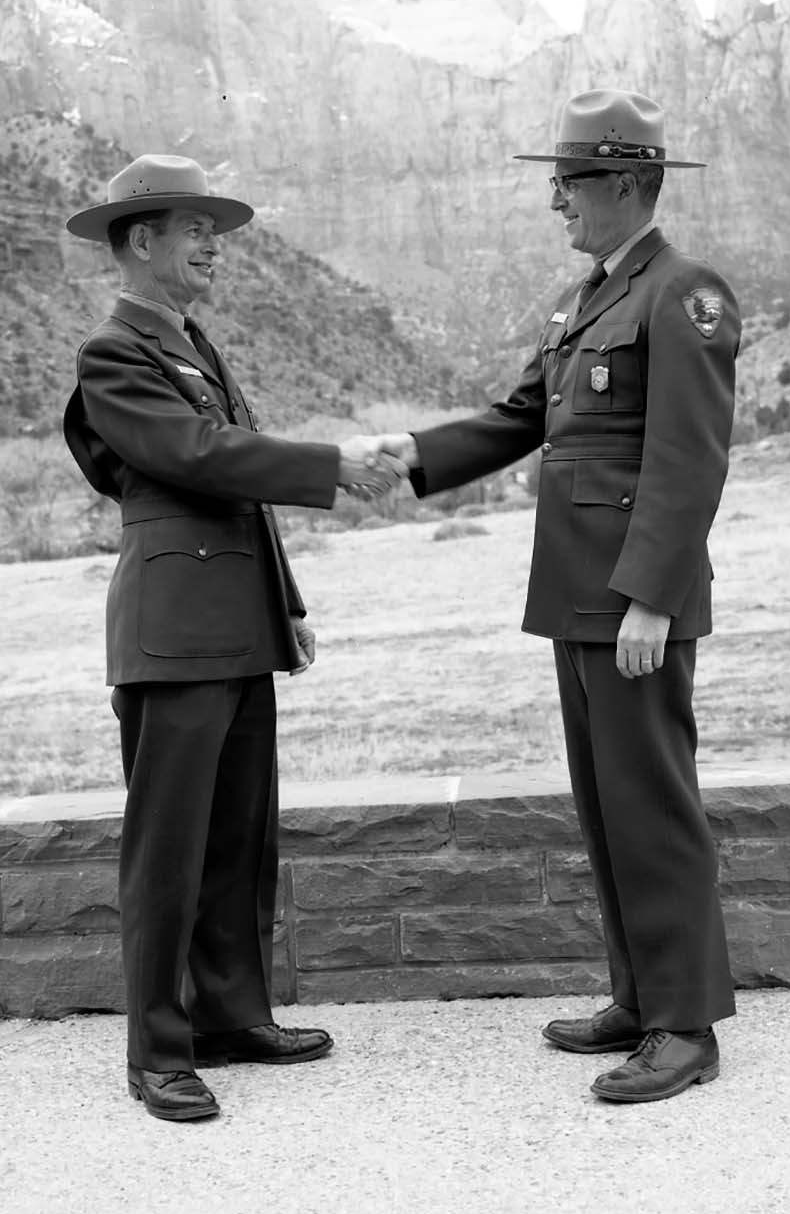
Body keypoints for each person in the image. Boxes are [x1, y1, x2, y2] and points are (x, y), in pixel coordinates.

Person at [374, 90, 740, 1104]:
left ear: (626, 182)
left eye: (569, 181)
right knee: (606, 803)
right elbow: (517, 416)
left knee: (654, 806)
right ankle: (638, 994)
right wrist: (412, 458)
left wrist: (653, 600)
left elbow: (688, 460)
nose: (555, 201)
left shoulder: (683, 293)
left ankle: (686, 1026)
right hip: (578, 596)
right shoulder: (587, 300)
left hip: (633, 601)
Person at [62, 153, 403, 1123]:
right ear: (138, 241)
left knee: (238, 840)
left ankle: (228, 1015)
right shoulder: (114, 352)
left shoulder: (194, 344)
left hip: (235, 628)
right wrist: (336, 463)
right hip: (172, 636)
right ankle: (157, 1052)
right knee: (167, 851)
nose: (214, 245)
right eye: (194, 227)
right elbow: (200, 458)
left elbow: (237, 492)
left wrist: (283, 602)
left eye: (215, 230)